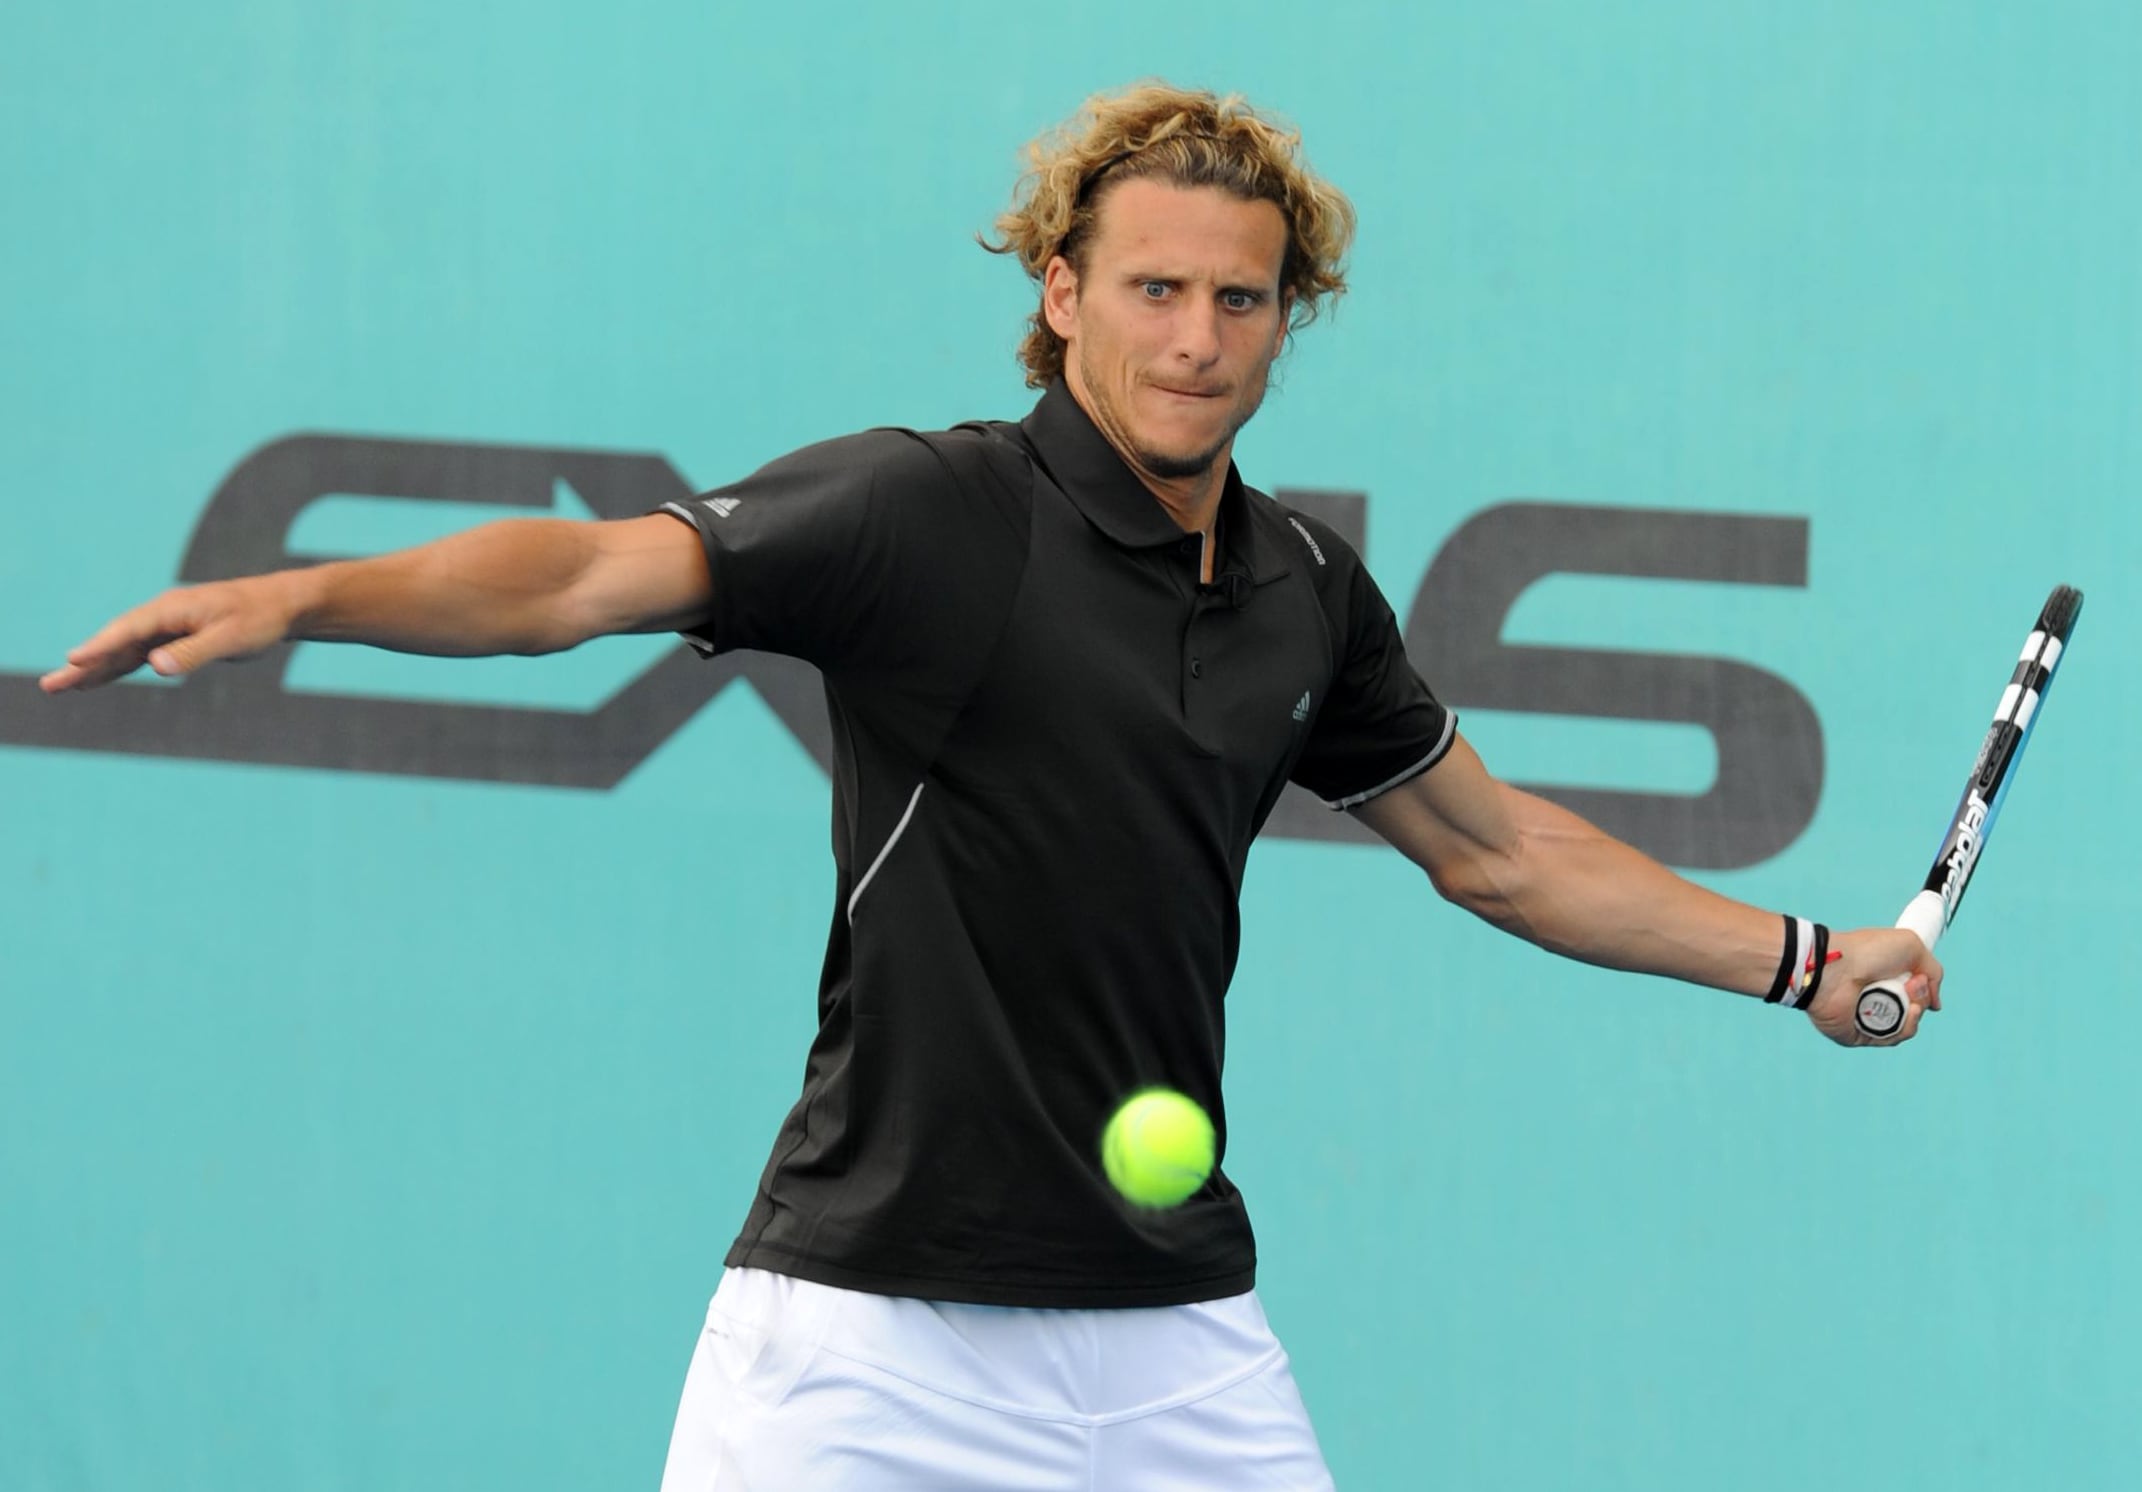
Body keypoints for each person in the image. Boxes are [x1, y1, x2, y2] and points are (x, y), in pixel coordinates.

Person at [43, 83, 1939, 1491]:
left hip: (1171, 1342)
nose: (1194, 341)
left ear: (1294, 317)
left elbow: (1502, 849)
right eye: (1152, 291)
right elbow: (580, 576)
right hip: (863, 1346)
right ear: (1061, 288)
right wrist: (306, 594)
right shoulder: (929, 512)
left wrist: (1800, 959)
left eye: (1243, 302)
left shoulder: (1303, 590)